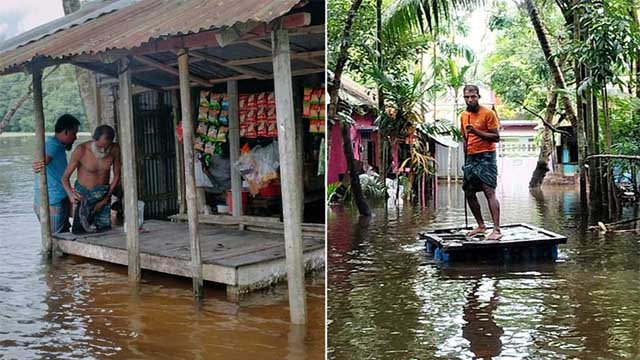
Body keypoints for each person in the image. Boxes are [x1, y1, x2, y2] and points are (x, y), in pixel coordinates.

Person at [460, 85, 502, 240]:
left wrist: (476, 131)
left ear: (478, 97)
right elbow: (465, 138)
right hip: (471, 157)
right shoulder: (463, 116)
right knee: (469, 191)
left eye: (473, 96)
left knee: (489, 191)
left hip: (486, 156)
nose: (470, 99)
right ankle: (481, 225)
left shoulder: (488, 113)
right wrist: (465, 160)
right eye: (467, 97)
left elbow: (496, 137)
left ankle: (496, 229)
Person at [61, 125, 120, 233]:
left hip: (103, 193)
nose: (103, 150)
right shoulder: (81, 150)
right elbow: (65, 178)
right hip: (84, 196)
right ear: (94, 140)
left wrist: (106, 198)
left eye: (106, 147)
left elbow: (116, 175)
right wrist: (70, 194)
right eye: (100, 146)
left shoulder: (115, 149)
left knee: (104, 230)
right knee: (80, 230)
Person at [33, 114, 80, 233]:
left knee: (62, 232)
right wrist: (37, 164)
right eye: (74, 133)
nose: (75, 137)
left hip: (57, 198)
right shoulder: (52, 145)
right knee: (55, 238)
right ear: (66, 132)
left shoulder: (56, 145)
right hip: (52, 201)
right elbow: (42, 162)